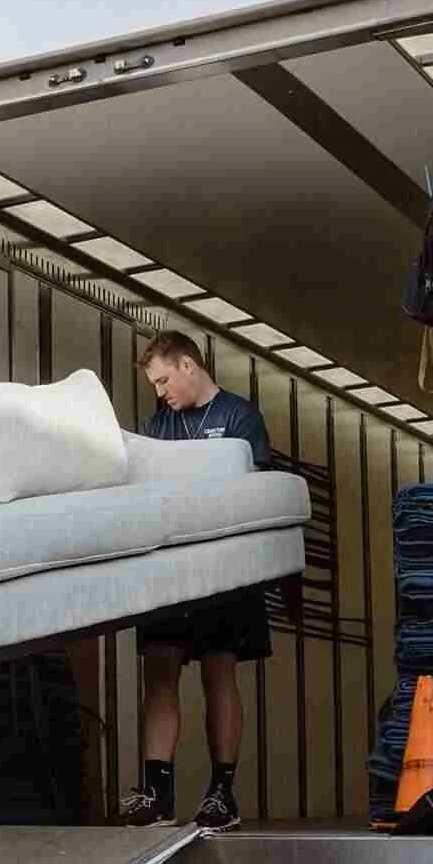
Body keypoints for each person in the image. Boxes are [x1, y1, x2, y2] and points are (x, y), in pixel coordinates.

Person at [119, 330, 273, 833]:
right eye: (154, 383)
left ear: (189, 365)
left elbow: (255, 489)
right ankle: (157, 794)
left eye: (164, 379)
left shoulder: (239, 416)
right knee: (159, 672)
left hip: (223, 570)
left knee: (218, 672)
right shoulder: (158, 425)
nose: (160, 391)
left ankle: (221, 793)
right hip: (170, 569)